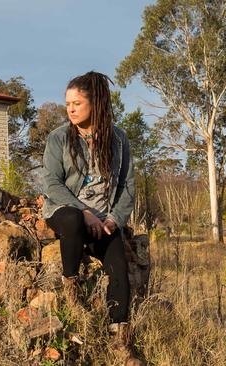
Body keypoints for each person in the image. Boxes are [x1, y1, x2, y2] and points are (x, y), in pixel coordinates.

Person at [40, 71, 142, 365]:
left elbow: (126, 186)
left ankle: (122, 346)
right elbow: (51, 183)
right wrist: (84, 212)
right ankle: (72, 294)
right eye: (68, 103)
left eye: (77, 103)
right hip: (66, 210)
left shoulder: (119, 141)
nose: (70, 109)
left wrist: (113, 220)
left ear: (94, 104)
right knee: (72, 219)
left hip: (103, 219)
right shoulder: (59, 137)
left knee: (118, 263)